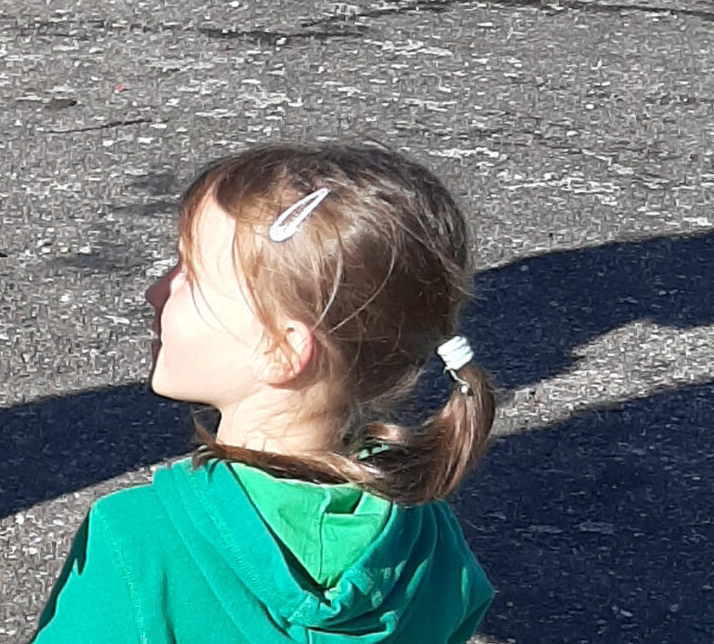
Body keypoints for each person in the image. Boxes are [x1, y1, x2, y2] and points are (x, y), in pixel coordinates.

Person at [31, 143, 497, 644]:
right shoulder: (429, 542)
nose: (157, 291)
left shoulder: (138, 541)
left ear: (281, 349)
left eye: (189, 274)